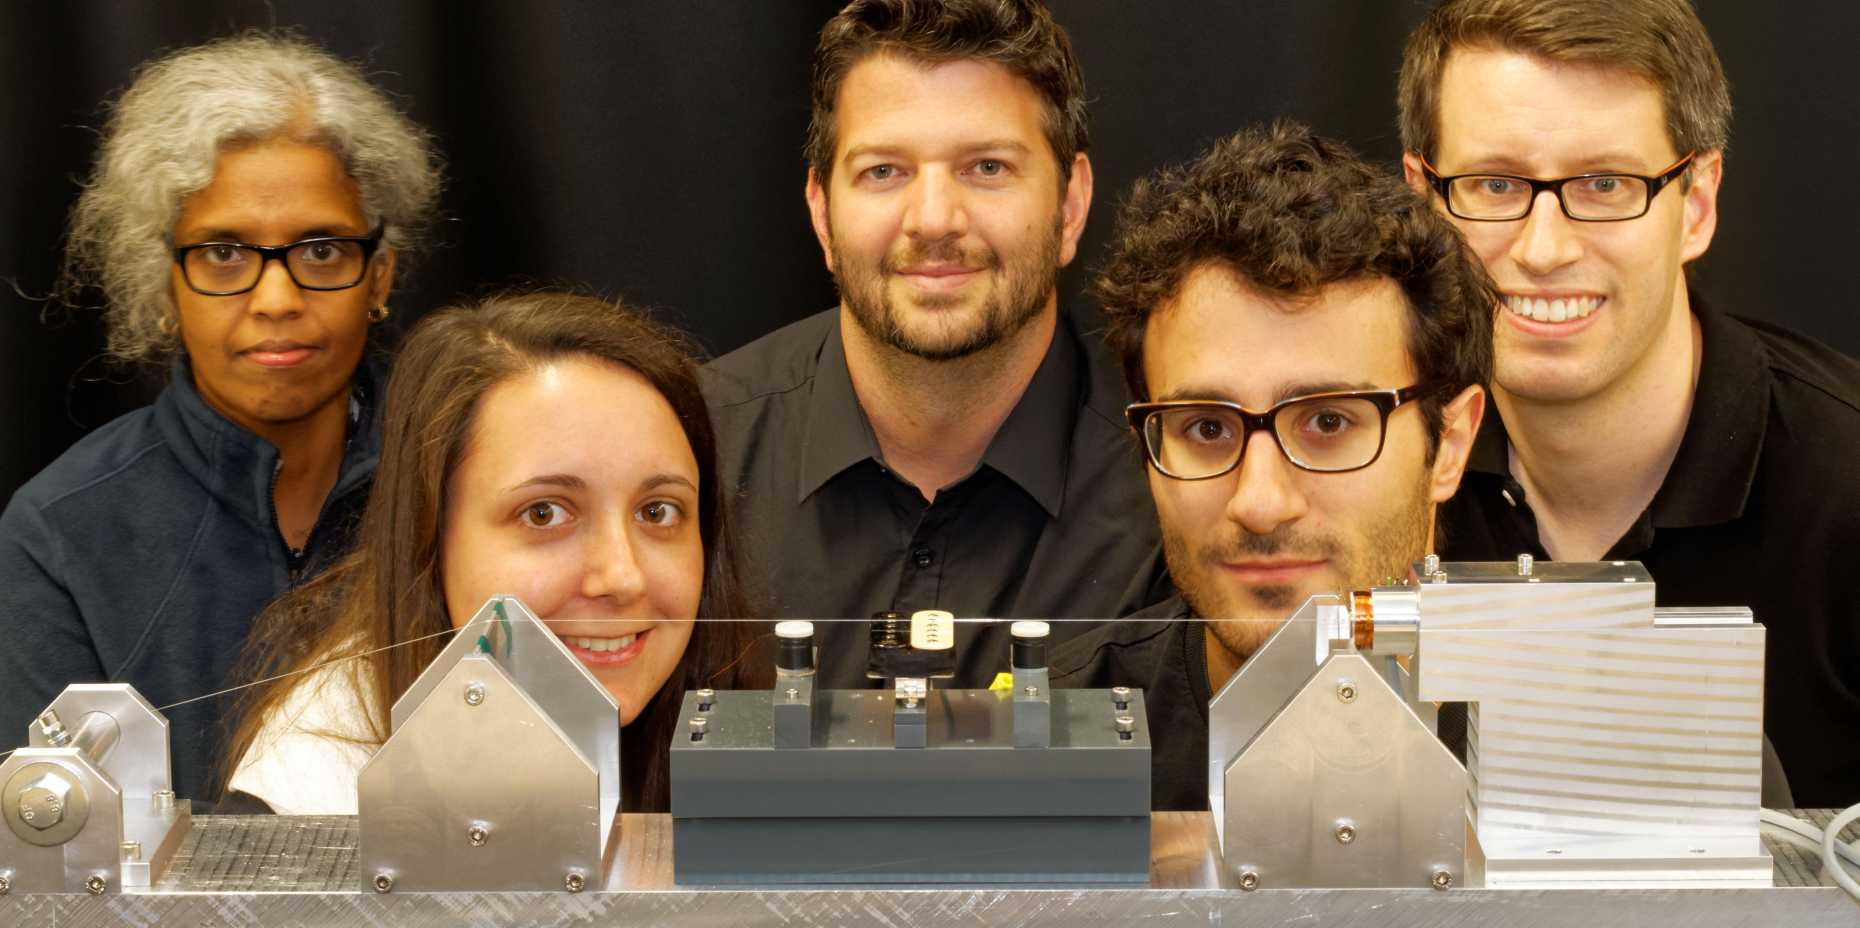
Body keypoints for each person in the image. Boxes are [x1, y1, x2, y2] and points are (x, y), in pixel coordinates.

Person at [1400, 0, 1860, 806]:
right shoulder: (1368, 465)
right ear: (1424, 203)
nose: (1544, 249)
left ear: (1699, 204)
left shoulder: (1847, 486)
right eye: (1495, 184)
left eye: (1606, 183)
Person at [0, 33, 440, 802]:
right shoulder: (61, 534)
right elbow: (53, 857)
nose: (276, 299)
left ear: (380, 275)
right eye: (225, 254)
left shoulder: (465, 479)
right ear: (164, 283)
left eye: (322, 249)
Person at [703, 0, 1165, 689]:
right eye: (884, 171)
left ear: (1070, 206)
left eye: (986, 167)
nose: (934, 220)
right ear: (822, 214)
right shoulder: (694, 448)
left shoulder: (1179, 466)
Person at [1052, 123, 1493, 810]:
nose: (1259, 503)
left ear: (1453, 445)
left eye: (1327, 422)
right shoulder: (1049, 753)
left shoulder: (1561, 740)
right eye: (1206, 428)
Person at [218, 291, 767, 814]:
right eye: (544, 513)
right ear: (427, 538)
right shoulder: (308, 802)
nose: (622, 577)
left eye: (657, 511)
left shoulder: (718, 715)